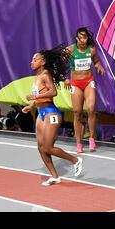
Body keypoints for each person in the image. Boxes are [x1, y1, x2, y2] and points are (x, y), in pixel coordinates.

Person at [22, 44, 83, 186]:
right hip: (41, 113)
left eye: (35, 59)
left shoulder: (45, 75)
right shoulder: (36, 78)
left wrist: (33, 96)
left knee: (48, 147)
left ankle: (75, 160)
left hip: (51, 113)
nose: (32, 62)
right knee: (40, 147)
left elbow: (53, 92)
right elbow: (40, 97)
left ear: (42, 62)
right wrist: (31, 106)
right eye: (32, 60)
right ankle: (55, 176)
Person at [64, 27, 105, 153]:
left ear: (87, 38)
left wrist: (99, 66)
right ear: (76, 38)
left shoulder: (91, 50)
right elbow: (60, 66)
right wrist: (64, 78)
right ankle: (79, 143)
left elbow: (96, 61)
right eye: (80, 37)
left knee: (91, 108)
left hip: (88, 81)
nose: (82, 40)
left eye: (85, 37)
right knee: (77, 112)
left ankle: (92, 138)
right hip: (76, 83)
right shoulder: (70, 50)